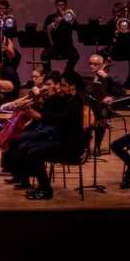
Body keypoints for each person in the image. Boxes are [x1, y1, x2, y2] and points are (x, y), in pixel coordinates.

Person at [23, 72, 87, 200]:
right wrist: (40, 105)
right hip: (62, 140)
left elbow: (60, 119)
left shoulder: (76, 102)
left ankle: (46, 190)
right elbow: (54, 114)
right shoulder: (68, 99)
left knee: (34, 153)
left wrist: (39, 115)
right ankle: (40, 186)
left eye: (63, 85)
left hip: (71, 146)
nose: (60, 88)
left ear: (72, 86)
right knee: (30, 148)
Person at [99, 2, 130, 88]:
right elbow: (105, 37)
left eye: (118, 12)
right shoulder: (110, 23)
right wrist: (113, 33)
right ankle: (101, 80)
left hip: (126, 49)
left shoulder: (129, 22)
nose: (116, 14)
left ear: (122, 12)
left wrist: (126, 32)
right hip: (113, 49)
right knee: (98, 57)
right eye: (114, 12)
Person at [42, 0, 79, 74]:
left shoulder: (68, 17)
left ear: (65, 6)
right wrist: (54, 23)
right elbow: (45, 29)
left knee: (75, 55)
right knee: (44, 55)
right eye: (58, 5)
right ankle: (48, 73)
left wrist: (71, 18)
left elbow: (76, 27)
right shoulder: (50, 17)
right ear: (56, 6)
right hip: (54, 45)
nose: (60, 7)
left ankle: (67, 72)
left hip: (67, 45)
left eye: (62, 5)